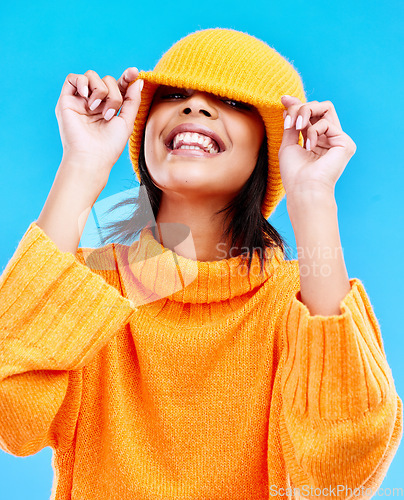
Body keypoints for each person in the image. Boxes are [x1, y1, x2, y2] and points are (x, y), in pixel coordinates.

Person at [0, 28, 402, 500]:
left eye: (231, 101)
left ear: (270, 146)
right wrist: (82, 166)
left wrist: (312, 198)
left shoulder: (298, 299)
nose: (193, 106)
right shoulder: (92, 290)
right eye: (172, 95)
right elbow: (13, 417)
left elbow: (342, 471)